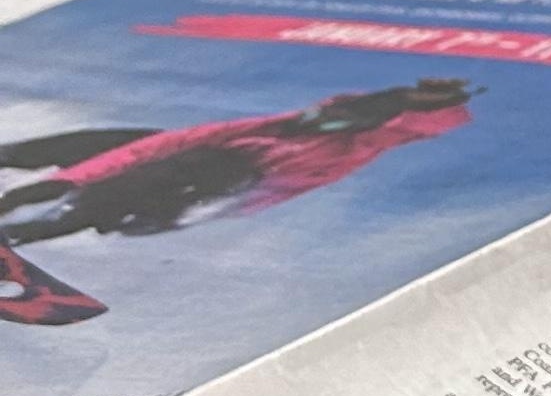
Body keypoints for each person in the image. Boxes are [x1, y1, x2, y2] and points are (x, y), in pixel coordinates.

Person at [0, 79, 476, 244]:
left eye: (332, 118)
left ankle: (34, 227)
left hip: (187, 198)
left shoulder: (354, 145)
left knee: (205, 165)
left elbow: (418, 127)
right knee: (142, 141)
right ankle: (16, 168)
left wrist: (434, 102)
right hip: (179, 170)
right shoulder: (273, 124)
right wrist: (62, 179)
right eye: (321, 112)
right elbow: (153, 150)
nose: (317, 119)